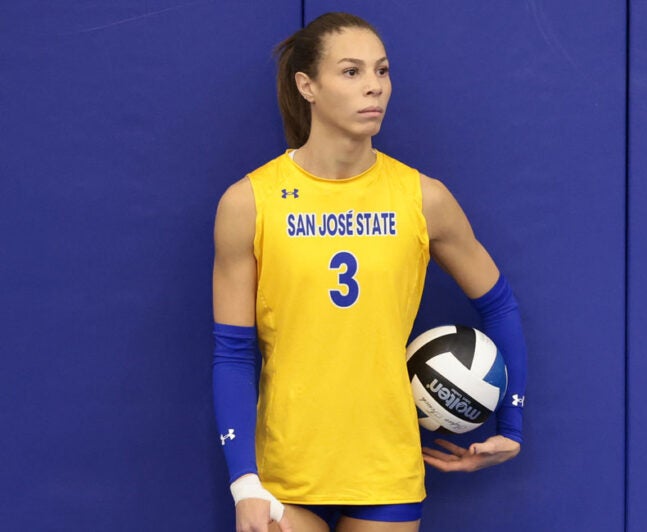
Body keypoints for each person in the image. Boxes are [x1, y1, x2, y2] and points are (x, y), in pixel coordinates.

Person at [211, 12, 527, 532]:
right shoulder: (250, 203)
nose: (374, 87)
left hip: (385, 468)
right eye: (352, 72)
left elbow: (500, 304)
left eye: (382, 71)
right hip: (284, 471)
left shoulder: (423, 198)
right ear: (306, 85)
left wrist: (511, 425)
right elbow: (233, 352)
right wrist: (244, 482)